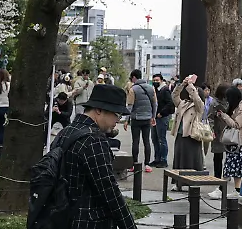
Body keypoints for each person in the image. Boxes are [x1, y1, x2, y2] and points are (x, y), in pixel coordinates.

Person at [53, 83, 138, 229]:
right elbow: (109, 191)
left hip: (62, 218)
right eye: (116, 114)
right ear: (99, 110)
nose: (118, 120)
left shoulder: (65, 132)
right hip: (89, 222)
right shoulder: (93, 140)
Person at [219, 86, 242, 194]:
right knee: (230, 166)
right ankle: (232, 190)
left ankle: (228, 190)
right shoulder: (238, 106)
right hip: (235, 142)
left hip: (239, 142)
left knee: (236, 168)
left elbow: (236, 124)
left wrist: (224, 116)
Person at [125, 69, 157, 172]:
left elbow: (130, 106)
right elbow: (155, 104)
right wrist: (153, 116)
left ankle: (134, 164)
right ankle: (147, 164)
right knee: (147, 141)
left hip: (136, 118)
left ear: (134, 77)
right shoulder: (151, 88)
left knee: (136, 141)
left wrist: (126, 120)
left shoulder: (133, 89)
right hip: (147, 118)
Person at [172, 74, 204, 170]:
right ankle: (178, 178)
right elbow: (174, 96)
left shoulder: (199, 106)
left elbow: (197, 99)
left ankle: (193, 178)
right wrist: (182, 84)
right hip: (180, 134)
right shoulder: (183, 103)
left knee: (191, 161)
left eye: (194, 91)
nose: (191, 92)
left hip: (192, 135)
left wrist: (190, 85)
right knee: (179, 159)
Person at [207, 84, 230, 183]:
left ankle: (227, 174)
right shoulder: (214, 103)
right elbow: (210, 117)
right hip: (218, 131)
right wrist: (212, 130)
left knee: (230, 154)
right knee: (218, 155)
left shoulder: (229, 101)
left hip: (229, 130)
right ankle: (217, 176)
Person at [152, 73, 175, 168]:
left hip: (162, 117)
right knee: (154, 139)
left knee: (161, 139)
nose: (155, 82)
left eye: (157, 80)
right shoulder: (156, 90)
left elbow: (170, 103)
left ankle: (163, 159)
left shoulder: (165, 90)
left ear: (161, 80)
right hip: (155, 118)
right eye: (154, 80)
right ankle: (157, 158)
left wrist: (162, 113)